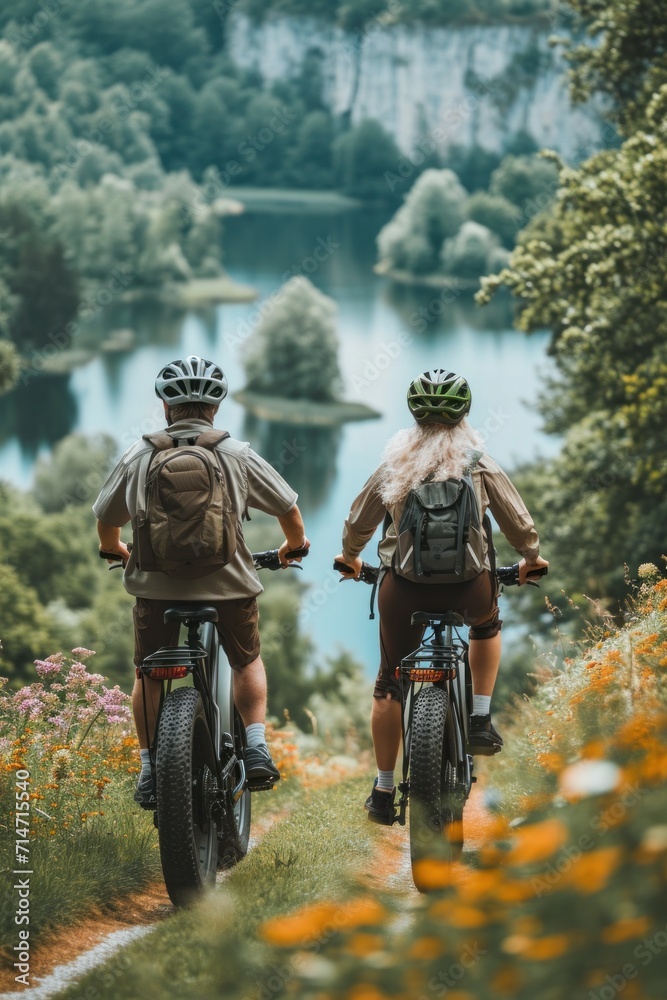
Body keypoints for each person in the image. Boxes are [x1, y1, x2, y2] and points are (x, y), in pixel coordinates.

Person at [92, 356, 309, 807]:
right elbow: (289, 509)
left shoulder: (139, 454)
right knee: (247, 659)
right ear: (215, 408)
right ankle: (255, 746)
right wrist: (294, 547)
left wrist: (114, 548)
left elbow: (105, 518)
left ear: (165, 406)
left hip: (155, 589)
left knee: (149, 671)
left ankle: (150, 768)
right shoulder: (236, 453)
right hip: (229, 586)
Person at [334, 369, 548, 825]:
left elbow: (358, 524)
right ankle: (480, 719)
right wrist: (530, 557)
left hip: (403, 593)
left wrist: (351, 557)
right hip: (471, 587)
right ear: (464, 414)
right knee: (486, 625)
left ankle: (384, 788)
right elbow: (518, 522)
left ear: (414, 416)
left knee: (388, 684)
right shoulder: (478, 462)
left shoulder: (395, 463)